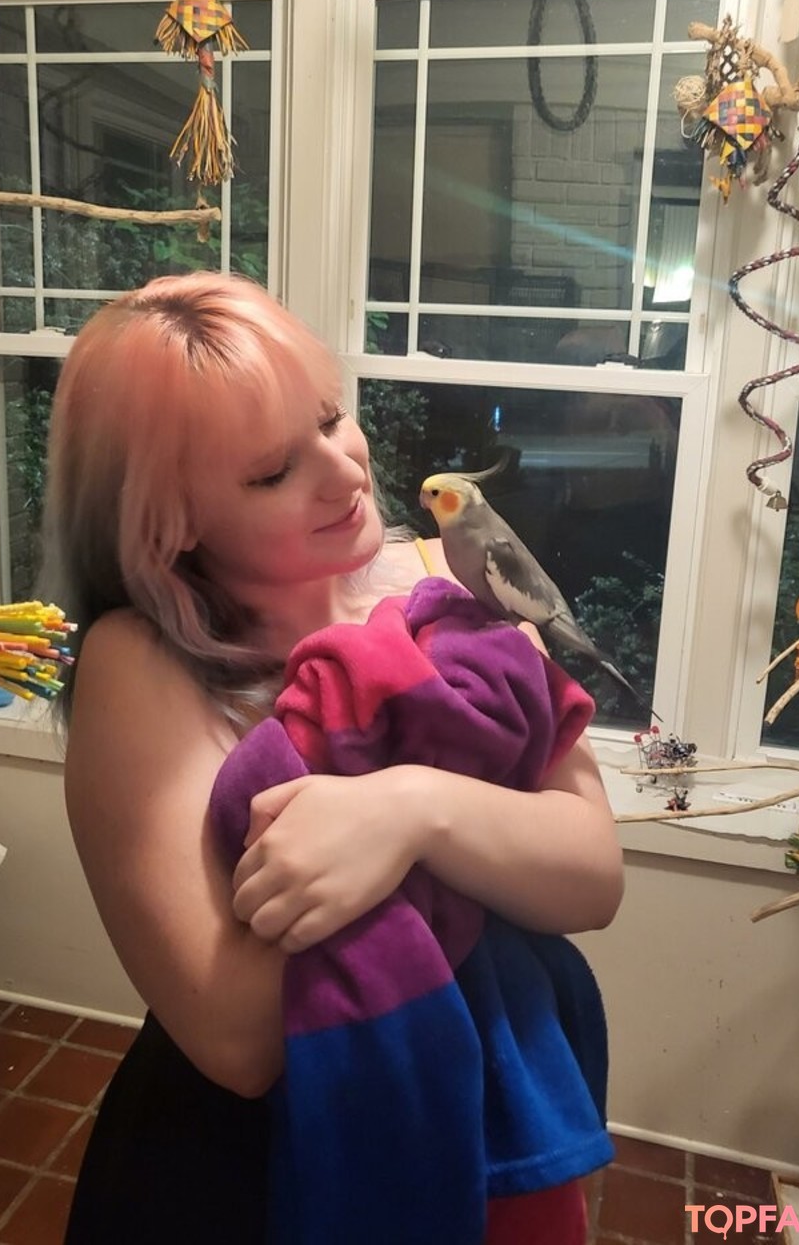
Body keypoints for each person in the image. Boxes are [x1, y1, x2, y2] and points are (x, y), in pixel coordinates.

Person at [44, 271, 624, 1244]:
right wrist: (486, 845)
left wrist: (411, 811)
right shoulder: (137, 666)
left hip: (496, 1110)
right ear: (169, 520)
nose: (346, 472)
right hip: (260, 1168)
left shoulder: (446, 575)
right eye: (273, 470)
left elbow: (592, 877)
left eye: (331, 419)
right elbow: (238, 1038)